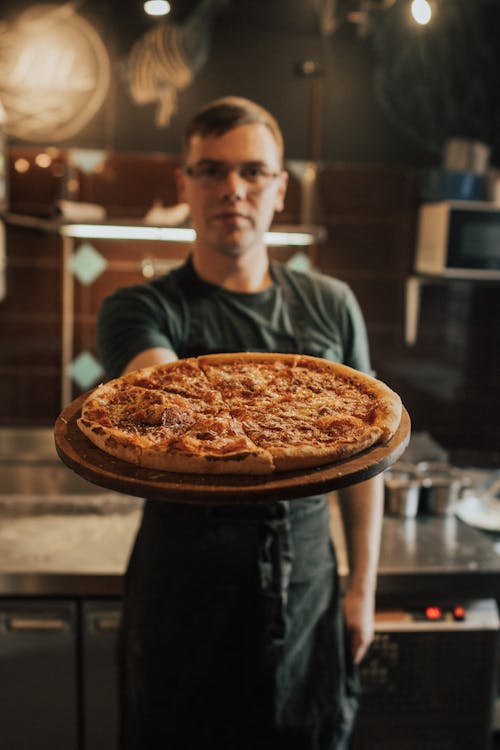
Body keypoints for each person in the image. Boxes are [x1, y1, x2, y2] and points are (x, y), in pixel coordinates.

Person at [98, 96, 384, 750]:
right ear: (183, 185)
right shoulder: (140, 307)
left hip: (309, 584)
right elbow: (166, 399)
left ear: (281, 189)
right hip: (182, 595)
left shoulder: (331, 303)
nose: (233, 188)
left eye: (254, 171)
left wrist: (363, 589)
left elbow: (368, 458)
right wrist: (293, 410)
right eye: (211, 170)